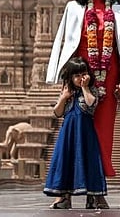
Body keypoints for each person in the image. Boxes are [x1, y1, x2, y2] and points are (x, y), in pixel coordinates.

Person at [46, 0, 120, 209]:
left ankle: (96, 191)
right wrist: (65, 82)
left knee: (102, 136)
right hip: (80, 78)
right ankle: (64, 190)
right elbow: (66, 45)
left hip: (108, 81)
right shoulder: (74, 8)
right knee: (73, 131)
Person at [43, 57, 107, 209]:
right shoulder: (67, 92)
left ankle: (92, 196)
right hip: (68, 133)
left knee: (88, 161)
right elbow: (57, 113)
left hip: (85, 133)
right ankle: (64, 197)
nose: (80, 78)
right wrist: (64, 97)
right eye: (76, 76)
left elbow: (91, 103)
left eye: (83, 74)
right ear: (70, 77)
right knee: (66, 161)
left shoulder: (91, 90)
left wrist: (85, 87)